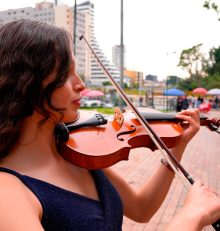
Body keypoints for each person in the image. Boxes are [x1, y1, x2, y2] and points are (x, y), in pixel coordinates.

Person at [0, 19, 220, 231]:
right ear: (27, 83)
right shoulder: (7, 193)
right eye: (66, 73)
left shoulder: (77, 152)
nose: (81, 84)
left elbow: (141, 209)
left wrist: (177, 146)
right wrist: (191, 218)